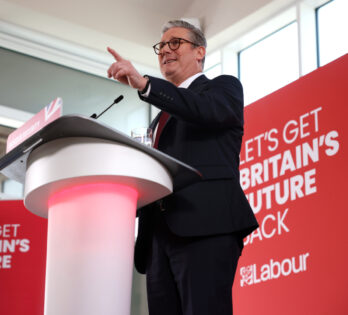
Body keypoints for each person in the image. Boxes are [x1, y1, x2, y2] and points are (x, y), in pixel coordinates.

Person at [107, 20, 258, 315]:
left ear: (199, 52)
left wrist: (147, 85)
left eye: (174, 43)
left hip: (205, 226)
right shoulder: (158, 121)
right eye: (161, 46)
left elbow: (200, 109)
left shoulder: (223, 89)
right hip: (158, 238)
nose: (165, 50)